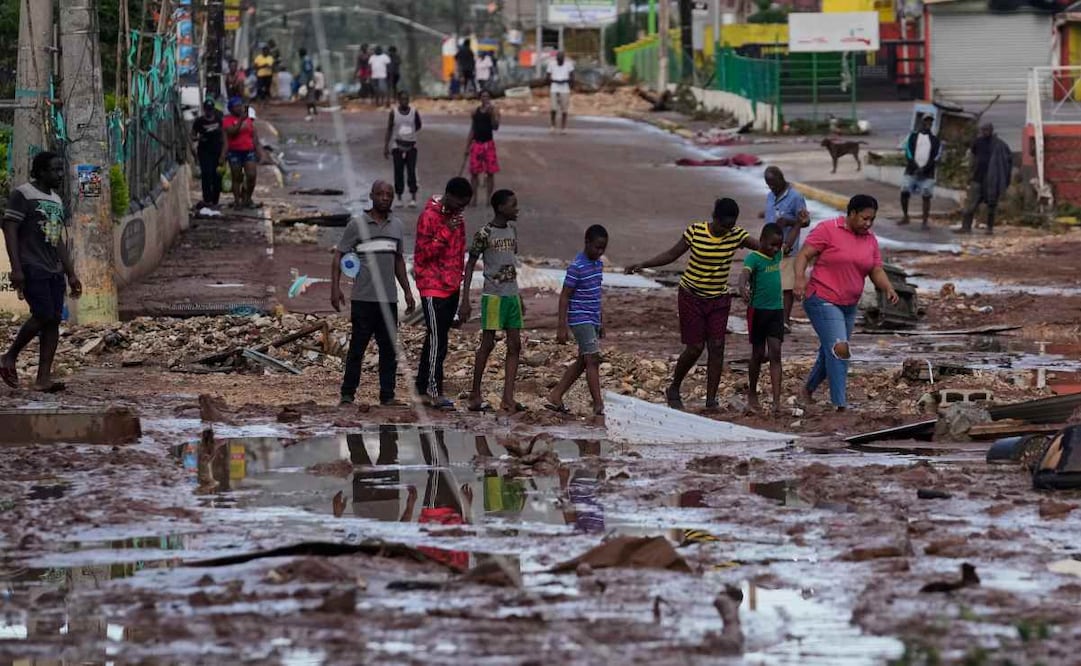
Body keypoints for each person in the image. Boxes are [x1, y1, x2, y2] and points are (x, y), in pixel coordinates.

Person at [626, 198, 759, 412]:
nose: (727, 230)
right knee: (695, 347)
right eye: (723, 225)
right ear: (714, 218)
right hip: (691, 296)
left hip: (718, 299)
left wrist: (781, 245)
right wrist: (644, 264)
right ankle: (674, 387)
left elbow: (762, 247)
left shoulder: (736, 235)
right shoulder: (695, 232)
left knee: (717, 347)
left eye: (731, 225)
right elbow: (671, 254)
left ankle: (711, 400)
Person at [794, 195, 899, 411]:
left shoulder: (870, 239)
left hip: (849, 304)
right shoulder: (828, 229)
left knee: (831, 350)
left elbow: (875, 269)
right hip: (822, 297)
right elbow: (803, 255)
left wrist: (888, 287)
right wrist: (799, 279)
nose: (868, 224)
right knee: (840, 349)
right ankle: (839, 405)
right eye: (864, 218)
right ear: (851, 214)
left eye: (872, 219)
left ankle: (806, 391)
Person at [0, 152, 82, 392]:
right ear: (41, 171)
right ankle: (8, 356)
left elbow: (57, 241)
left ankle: (43, 379)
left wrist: (71, 273)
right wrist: (16, 268)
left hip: (53, 269)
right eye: (55, 170)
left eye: (60, 170)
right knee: (43, 313)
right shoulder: (23, 194)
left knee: (53, 321)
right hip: (31, 265)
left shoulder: (56, 200)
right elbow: (10, 230)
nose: (59, 175)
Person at [332, 180, 416, 407]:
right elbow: (338, 255)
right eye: (380, 194)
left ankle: (387, 396)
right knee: (357, 349)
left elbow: (398, 260)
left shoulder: (397, 226)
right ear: (372, 196)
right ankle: (347, 394)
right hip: (363, 298)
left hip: (388, 299)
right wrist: (335, 287)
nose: (385, 198)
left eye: (389, 194)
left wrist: (408, 292)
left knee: (389, 349)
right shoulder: (357, 225)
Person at [459, 189, 525, 413]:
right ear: (500, 207)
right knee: (487, 344)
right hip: (494, 297)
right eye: (513, 205)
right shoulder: (484, 234)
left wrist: (520, 296)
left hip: (511, 295)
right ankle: (475, 394)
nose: (517, 209)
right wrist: (465, 299)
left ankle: (508, 398)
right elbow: (469, 266)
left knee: (515, 345)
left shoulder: (512, 231)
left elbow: (510, 265)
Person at [413, 177, 473, 410]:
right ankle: (435, 391)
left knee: (437, 339)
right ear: (448, 195)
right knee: (438, 340)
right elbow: (423, 254)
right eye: (459, 204)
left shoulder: (458, 219)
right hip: (431, 286)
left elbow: (459, 253)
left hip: (451, 286)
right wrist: (445, 232)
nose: (461, 210)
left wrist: (459, 286)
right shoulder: (429, 217)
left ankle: (421, 388)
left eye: (464, 206)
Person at [546, 225, 609, 417]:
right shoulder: (576, 266)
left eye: (603, 248)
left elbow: (596, 294)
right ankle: (598, 404)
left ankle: (556, 394)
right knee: (592, 359)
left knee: (584, 360)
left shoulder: (599, 265)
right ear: (587, 243)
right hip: (579, 318)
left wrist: (601, 320)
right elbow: (564, 296)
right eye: (597, 247)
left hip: (592, 318)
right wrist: (561, 326)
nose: (600, 252)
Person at [738, 223, 785, 416]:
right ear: (762, 240)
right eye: (772, 245)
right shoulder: (754, 257)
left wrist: (798, 224)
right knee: (757, 354)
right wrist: (742, 288)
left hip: (777, 311)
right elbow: (744, 274)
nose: (775, 249)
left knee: (775, 352)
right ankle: (752, 393)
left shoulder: (778, 254)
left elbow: (789, 243)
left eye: (778, 246)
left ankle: (776, 402)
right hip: (757, 312)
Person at [763, 166, 810, 332]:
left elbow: (806, 221)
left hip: (788, 248)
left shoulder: (796, 197)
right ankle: (773, 318)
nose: (772, 188)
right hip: (769, 248)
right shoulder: (770, 196)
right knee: (771, 284)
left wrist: (789, 221)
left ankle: (784, 321)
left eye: (774, 184)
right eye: (769, 185)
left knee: (786, 287)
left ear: (781, 179)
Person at [959, 123, 1012, 235]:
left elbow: (1007, 161)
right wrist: (969, 174)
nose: (985, 132)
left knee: (991, 205)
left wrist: (1003, 179)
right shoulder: (978, 142)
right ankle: (965, 227)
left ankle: (989, 228)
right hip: (978, 177)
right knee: (971, 203)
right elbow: (972, 158)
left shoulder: (999, 145)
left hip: (992, 179)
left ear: (992, 130)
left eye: (987, 130)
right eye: (984, 130)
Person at [900, 115, 943, 228]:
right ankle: (905, 216)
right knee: (904, 191)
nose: (928, 124)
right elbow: (908, 152)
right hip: (911, 171)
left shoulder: (935, 140)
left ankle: (924, 221)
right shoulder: (912, 136)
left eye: (930, 122)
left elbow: (937, 157)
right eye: (926, 121)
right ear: (921, 123)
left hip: (928, 173)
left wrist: (924, 168)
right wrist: (915, 167)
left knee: (926, 196)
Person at [222, 97, 263, 209]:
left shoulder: (248, 120)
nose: (239, 108)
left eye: (240, 106)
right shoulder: (227, 120)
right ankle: (237, 201)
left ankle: (247, 198)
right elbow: (232, 132)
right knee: (237, 177)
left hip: (248, 151)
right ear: (231, 109)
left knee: (251, 175)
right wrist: (240, 120)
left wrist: (259, 151)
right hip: (234, 152)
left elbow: (254, 136)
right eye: (236, 106)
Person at [385, 90, 422, 209]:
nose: (404, 101)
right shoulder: (394, 113)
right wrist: (386, 146)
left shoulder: (414, 112)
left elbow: (418, 125)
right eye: (402, 99)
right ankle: (399, 197)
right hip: (397, 146)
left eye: (407, 99)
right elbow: (389, 129)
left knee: (412, 172)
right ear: (398, 100)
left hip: (411, 146)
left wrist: (409, 134)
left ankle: (413, 197)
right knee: (398, 172)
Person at [464, 90, 500, 207]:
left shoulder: (493, 111)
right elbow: (472, 129)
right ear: (480, 98)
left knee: (490, 172)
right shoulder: (475, 112)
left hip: (488, 144)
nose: (485, 98)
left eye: (487, 96)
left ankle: (488, 199)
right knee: (474, 173)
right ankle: (474, 198)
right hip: (477, 144)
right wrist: (467, 146)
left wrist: (493, 115)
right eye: (483, 96)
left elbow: (495, 127)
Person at [191, 98, 224, 209]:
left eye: (211, 109)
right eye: (207, 110)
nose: (209, 112)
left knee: (217, 176)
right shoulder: (199, 121)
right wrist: (199, 138)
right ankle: (207, 199)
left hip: (217, 151)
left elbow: (224, 136)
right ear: (205, 110)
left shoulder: (219, 120)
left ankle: (215, 200)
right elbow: (193, 135)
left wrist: (223, 154)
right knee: (207, 174)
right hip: (205, 152)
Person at [545, 51, 574, 133]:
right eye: (558, 59)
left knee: (564, 109)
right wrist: (552, 81)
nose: (560, 61)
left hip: (565, 88)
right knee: (553, 108)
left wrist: (569, 83)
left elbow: (572, 76)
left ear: (564, 59)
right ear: (556, 59)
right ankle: (553, 125)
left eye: (561, 59)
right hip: (554, 87)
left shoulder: (569, 64)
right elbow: (547, 76)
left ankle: (563, 127)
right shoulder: (551, 64)